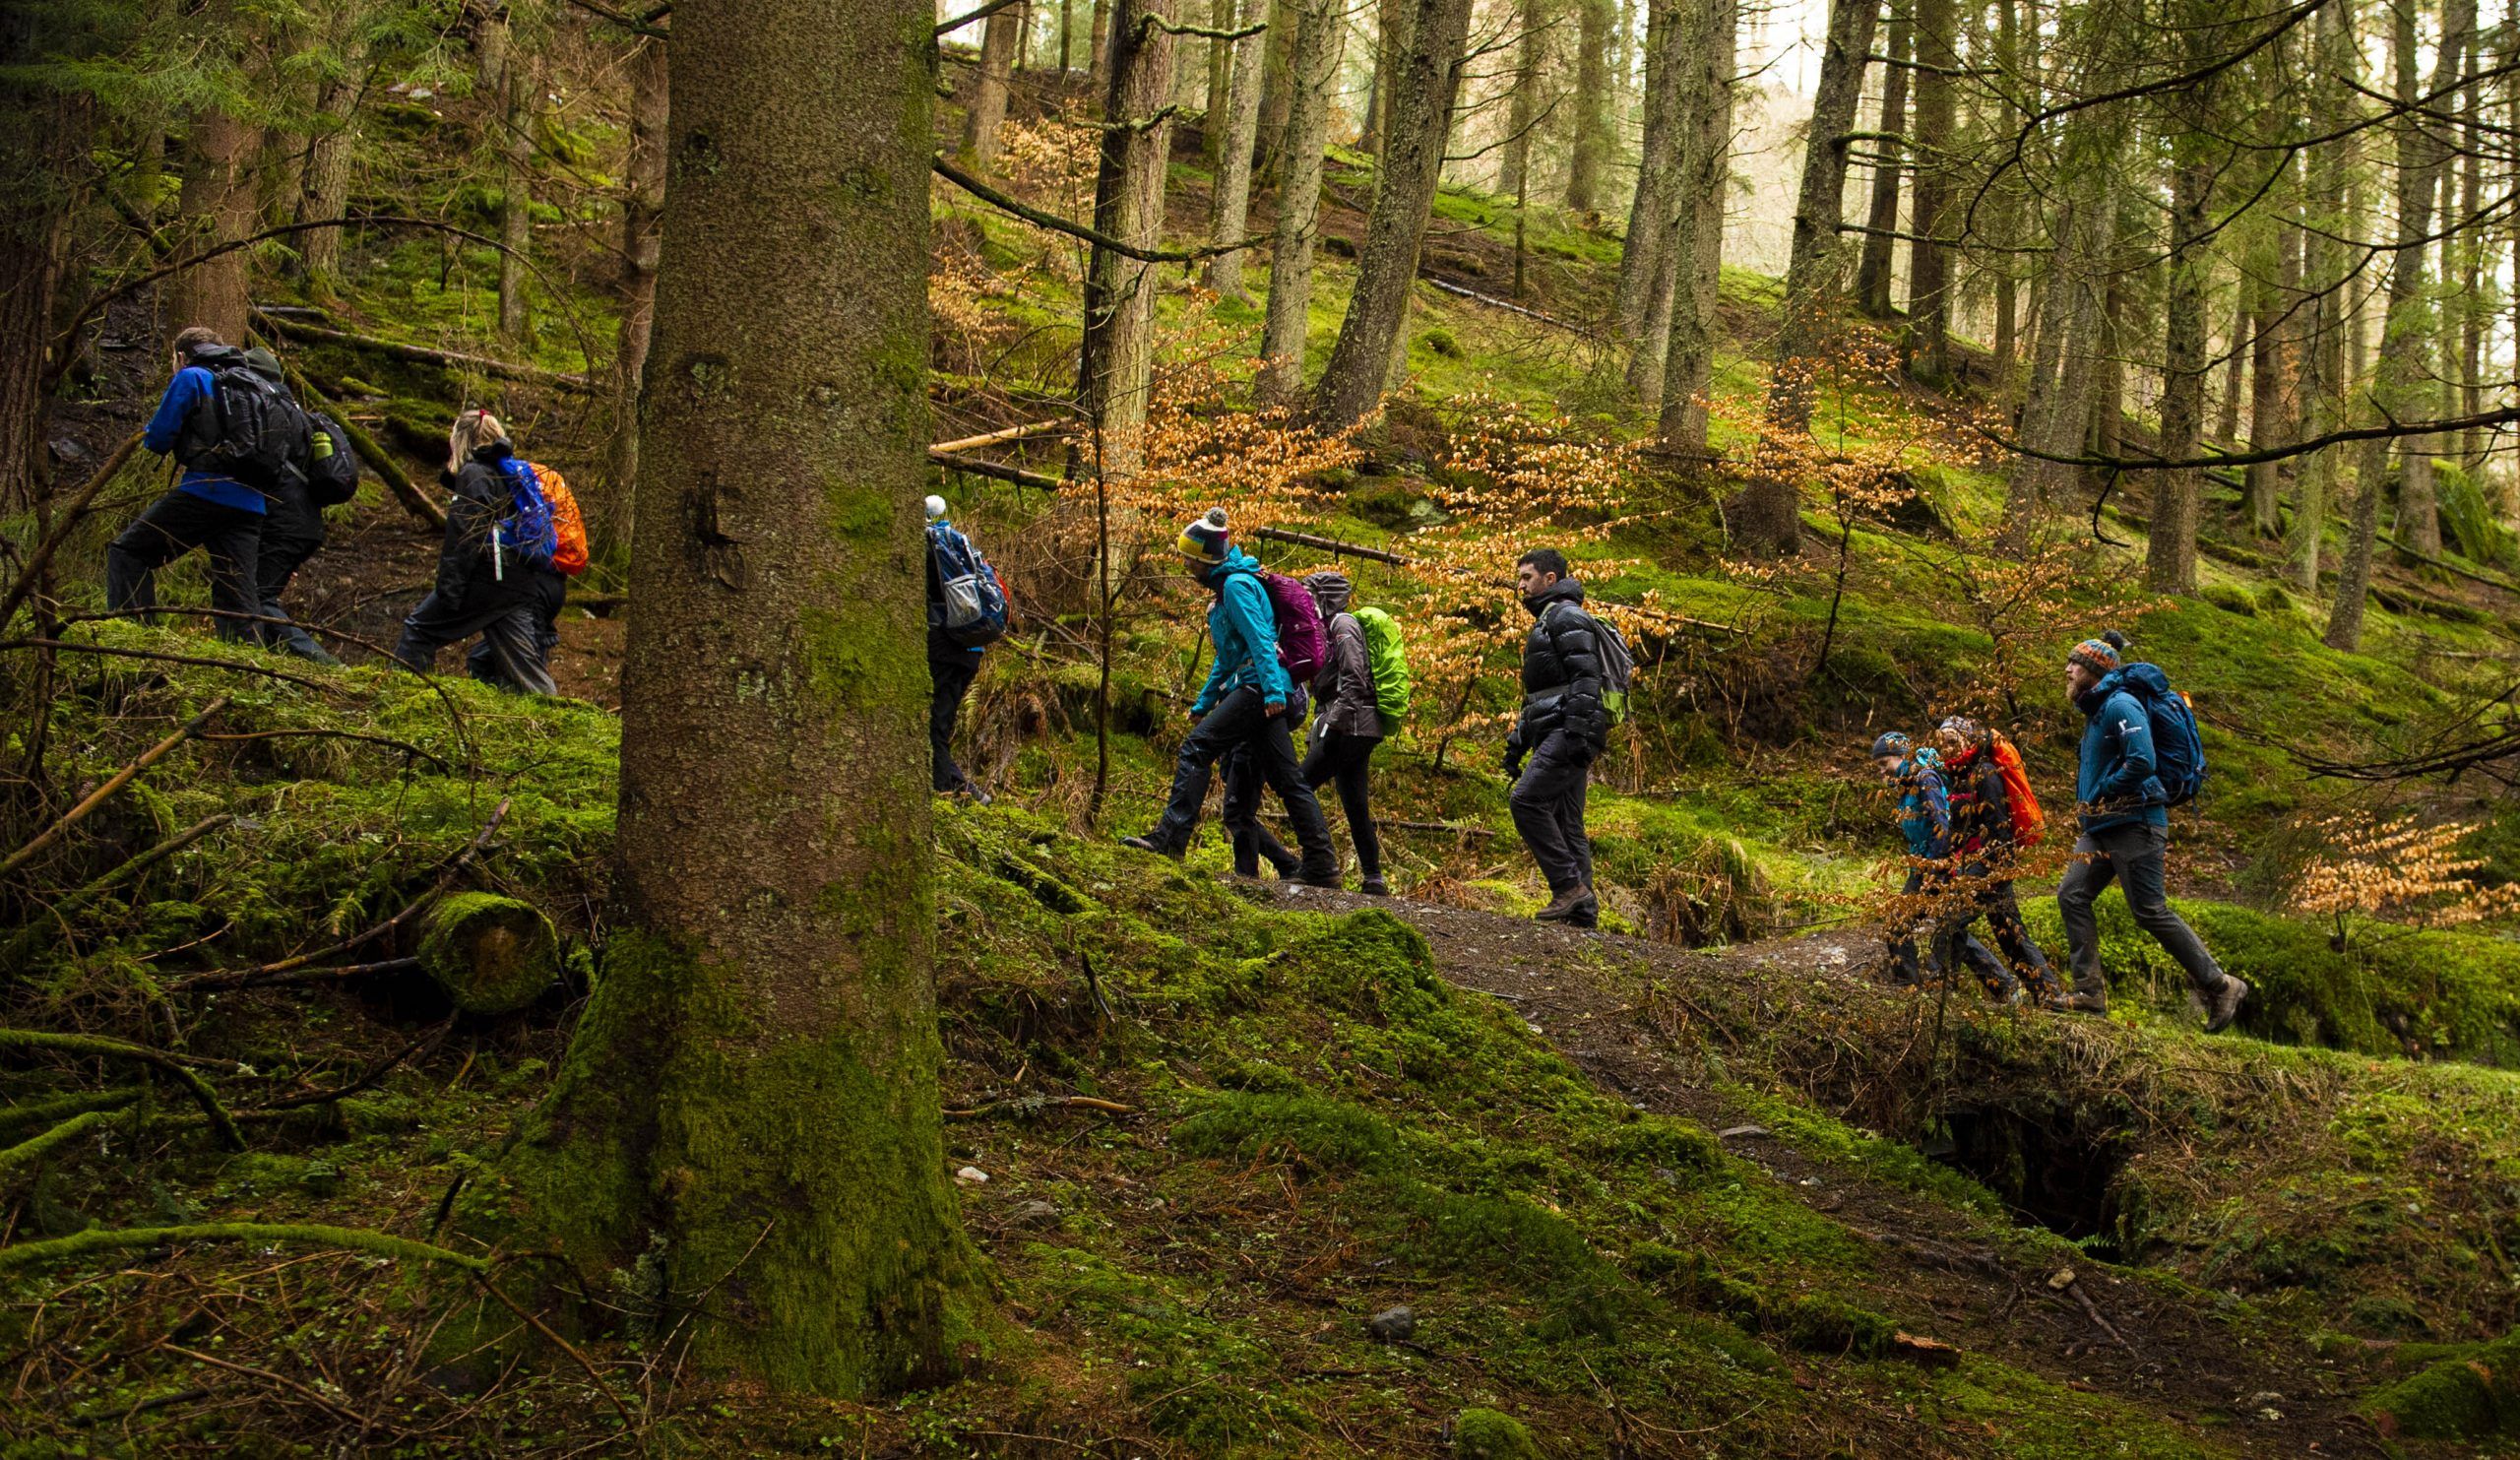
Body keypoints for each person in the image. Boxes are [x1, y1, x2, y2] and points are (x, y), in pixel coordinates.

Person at [1120, 509, 1337, 886]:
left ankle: (1170, 839)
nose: (1186, 564)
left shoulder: (1236, 587)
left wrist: (1271, 691)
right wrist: (1203, 703)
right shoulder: (1224, 594)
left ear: (1206, 558)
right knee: (1288, 779)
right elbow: (1226, 657)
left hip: (1258, 687)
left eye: (1190, 557)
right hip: (1256, 683)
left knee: (1196, 748)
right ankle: (1321, 864)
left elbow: (1259, 641)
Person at [2055, 634, 2248, 1030]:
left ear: (2093, 671)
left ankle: (2220, 984)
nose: (2067, 670)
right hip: (2101, 826)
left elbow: (2142, 761)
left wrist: (2105, 791)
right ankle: (2089, 993)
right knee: (2072, 895)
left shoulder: (2121, 705)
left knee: (2148, 911)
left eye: (2074, 664)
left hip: (2136, 822)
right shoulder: (2096, 711)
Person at [109, 327, 284, 643]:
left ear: (180, 356)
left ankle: (133, 638)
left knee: (129, 552)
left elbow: (159, 438)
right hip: (252, 502)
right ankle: (249, 664)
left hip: (207, 491)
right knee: (237, 592)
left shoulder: (192, 376)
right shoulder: (256, 384)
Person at [1233, 570, 1388, 894]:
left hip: (1351, 724)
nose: (1303, 600)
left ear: (1324, 597)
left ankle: (1316, 864)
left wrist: (1334, 725)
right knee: (1355, 803)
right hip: (1356, 724)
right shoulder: (1327, 627)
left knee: (1299, 785)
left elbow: (1355, 677)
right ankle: (1373, 879)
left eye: (1309, 594)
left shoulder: (1342, 625)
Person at [392, 411, 557, 695]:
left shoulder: (473, 474)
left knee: (418, 631)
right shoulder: (510, 474)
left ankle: (407, 698)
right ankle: (555, 723)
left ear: (461, 440)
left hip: (488, 578)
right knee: (526, 673)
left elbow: (465, 539)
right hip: (518, 582)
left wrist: (449, 591)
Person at [1504, 549, 1606, 927]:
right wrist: (1517, 741)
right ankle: (1583, 911)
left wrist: (1578, 732)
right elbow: (1541, 695)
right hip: (1562, 727)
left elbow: (1586, 677)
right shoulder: (1549, 620)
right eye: (1519, 578)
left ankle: (1568, 887)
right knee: (1567, 822)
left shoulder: (1565, 615)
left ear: (1550, 579)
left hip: (1571, 729)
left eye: (1527, 577)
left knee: (1526, 801)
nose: (1520, 585)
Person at [1871, 730, 2009, 994]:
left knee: (1908, 925)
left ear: (1902, 757)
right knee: (1948, 929)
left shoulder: (1926, 778)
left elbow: (1941, 826)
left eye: (1883, 764)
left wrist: (1935, 868)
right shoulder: (1908, 784)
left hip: (1934, 868)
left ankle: (1909, 989)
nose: (1881, 772)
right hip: (1924, 867)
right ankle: (2003, 984)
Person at [1935, 716, 2057, 1001]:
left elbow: (1999, 830)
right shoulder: (1956, 777)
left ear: (1968, 741)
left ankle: (1939, 993)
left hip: (1991, 863)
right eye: (1942, 744)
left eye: (1953, 742)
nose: (1947, 749)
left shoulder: (1986, 773)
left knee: (1950, 921)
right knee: (2010, 936)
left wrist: (1983, 871)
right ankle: (2046, 996)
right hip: (1975, 865)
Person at [238, 348, 343, 666]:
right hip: (302, 521)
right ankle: (269, 658)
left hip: (285, 522)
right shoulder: (295, 410)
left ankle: (323, 665)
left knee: (257, 595)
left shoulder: (270, 409)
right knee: (257, 592)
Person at [924, 494, 992, 801]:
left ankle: (950, 795)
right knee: (939, 725)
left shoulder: (928, 549)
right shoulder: (955, 547)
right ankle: (962, 789)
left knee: (933, 728)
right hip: (970, 649)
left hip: (944, 646)